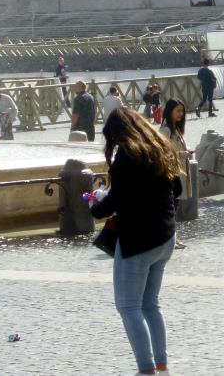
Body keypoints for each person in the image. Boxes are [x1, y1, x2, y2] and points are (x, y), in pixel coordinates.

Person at [89, 108, 182, 376]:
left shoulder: (127, 157)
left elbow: (115, 201)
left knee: (129, 307)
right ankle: (161, 366)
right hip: (165, 237)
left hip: (138, 242)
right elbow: (177, 189)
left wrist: (95, 206)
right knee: (150, 304)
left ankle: (146, 370)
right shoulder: (160, 147)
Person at [159, 99, 191, 249]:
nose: (181, 114)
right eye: (177, 111)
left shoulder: (175, 128)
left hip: (178, 172)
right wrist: (182, 154)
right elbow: (162, 153)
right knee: (171, 207)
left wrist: (185, 151)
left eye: (182, 111)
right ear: (170, 111)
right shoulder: (166, 129)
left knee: (174, 207)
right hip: (171, 174)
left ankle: (173, 237)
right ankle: (169, 239)